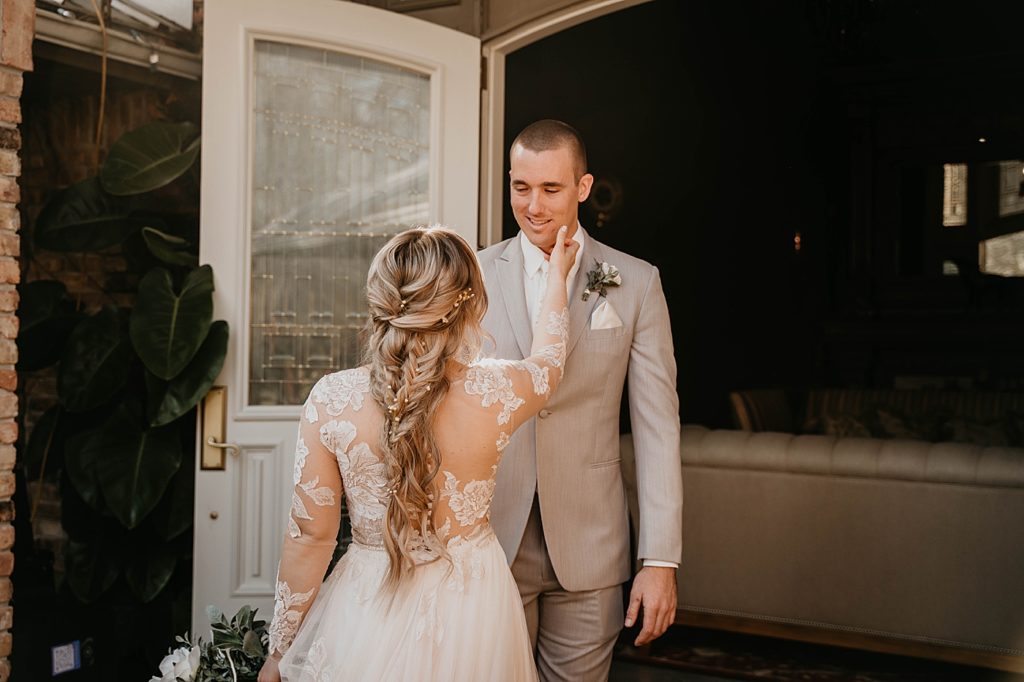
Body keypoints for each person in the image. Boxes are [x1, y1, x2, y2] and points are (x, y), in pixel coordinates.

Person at [258, 224, 579, 682]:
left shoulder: (330, 402)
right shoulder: (497, 392)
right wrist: (555, 280)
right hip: (473, 606)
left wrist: (280, 651)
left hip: (366, 605)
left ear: (380, 301)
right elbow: (550, 362)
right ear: (469, 306)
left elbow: (311, 538)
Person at [478, 119, 684, 681]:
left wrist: (659, 559)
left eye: (552, 189)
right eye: (522, 187)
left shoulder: (636, 284)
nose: (534, 206)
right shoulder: (470, 276)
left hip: (592, 547)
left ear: (584, 188)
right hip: (489, 542)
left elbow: (657, 427)